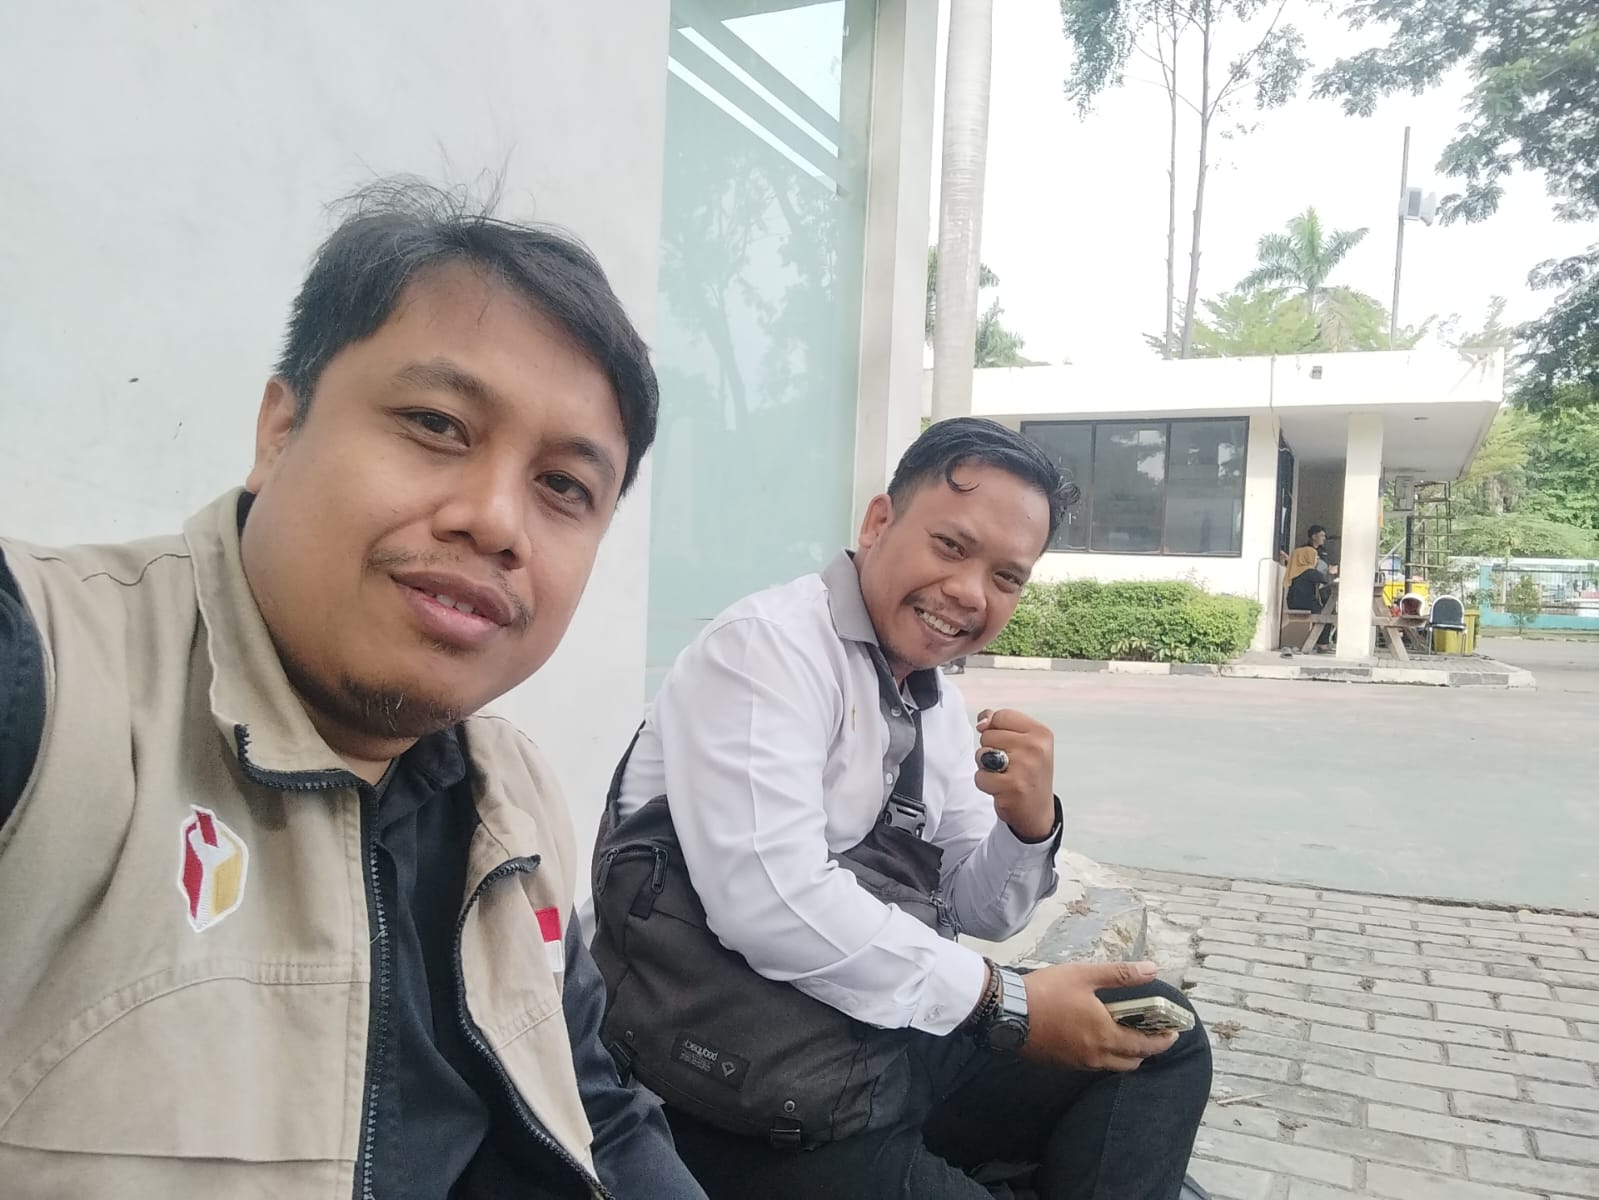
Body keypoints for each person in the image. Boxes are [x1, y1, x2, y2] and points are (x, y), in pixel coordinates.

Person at [0, 181, 705, 1199]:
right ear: (278, 430)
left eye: (563, 486)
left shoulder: (514, 797)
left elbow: (592, 1105)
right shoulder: (51, 678)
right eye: (437, 423)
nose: (496, 519)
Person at [592, 419, 1211, 1199]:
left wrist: (1027, 824)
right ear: (878, 522)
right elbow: (768, 901)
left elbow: (979, 909)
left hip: (867, 1041)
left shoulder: (934, 702)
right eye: (951, 546)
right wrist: (1005, 1004)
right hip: (732, 1068)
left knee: (1160, 1037)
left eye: (1005, 577)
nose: (969, 593)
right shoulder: (766, 649)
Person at [1284, 525, 1338, 650]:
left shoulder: (1296, 570)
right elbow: (1326, 580)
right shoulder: (1308, 571)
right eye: (1315, 557)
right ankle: (1322, 644)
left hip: (1294, 601)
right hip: (1303, 603)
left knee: (1323, 609)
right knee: (1325, 613)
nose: (1317, 560)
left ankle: (1320, 642)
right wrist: (1331, 573)